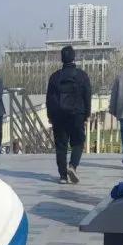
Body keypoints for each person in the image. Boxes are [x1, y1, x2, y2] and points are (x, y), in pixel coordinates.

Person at [46, 45, 93, 184]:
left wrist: (50, 116)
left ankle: (62, 176)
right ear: (74, 58)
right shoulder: (82, 76)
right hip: (77, 114)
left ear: (62, 59)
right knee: (78, 142)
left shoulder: (55, 77)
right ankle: (72, 166)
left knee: (61, 146)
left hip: (59, 116)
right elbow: (87, 96)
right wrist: (87, 114)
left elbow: (49, 99)